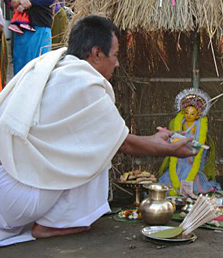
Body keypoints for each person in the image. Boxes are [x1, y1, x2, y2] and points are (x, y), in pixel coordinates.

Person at [0, 15, 195, 247]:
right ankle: (56, 224)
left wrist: (154, 140)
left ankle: (54, 220)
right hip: (15, 201)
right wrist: (170, 149)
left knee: (97, 142)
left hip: (8, 193)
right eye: (115, 55)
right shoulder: (83, 82)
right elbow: (122, 143)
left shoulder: (55, 68)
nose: (117, 63)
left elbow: (116, 137)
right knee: (99, 152)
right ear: (97, 53)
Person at [158, 88, 220, 196]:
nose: (188, 115)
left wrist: (196, 142)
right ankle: (175, 186)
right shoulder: (180, 122)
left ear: (197, 115)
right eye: (186, 112)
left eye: (192, 114)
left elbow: (201, 139)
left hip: (191, 150)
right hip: (180, 148)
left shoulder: (198, 125)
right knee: (177, 167)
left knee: (190, 169)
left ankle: (189, 188)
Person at [10, 0, 61, 74]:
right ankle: (20, 90)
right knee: (21, 62)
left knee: (39, 63)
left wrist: (30, 2)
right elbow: (11, 0)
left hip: (41, 25)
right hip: (23, 26)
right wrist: (19, 0)